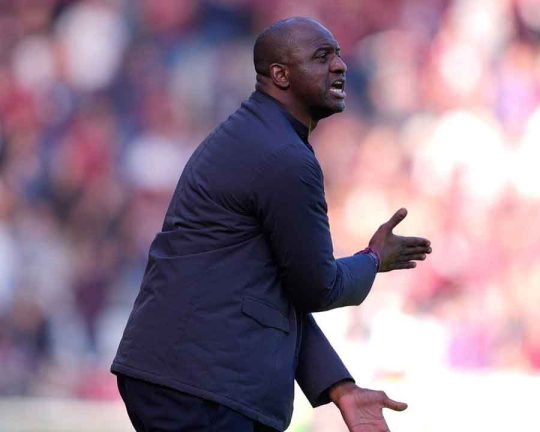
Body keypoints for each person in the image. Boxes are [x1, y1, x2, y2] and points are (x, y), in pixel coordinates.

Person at [111, 16, 432, 432]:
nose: (339, 65)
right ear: (279, 75)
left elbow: (276, 293)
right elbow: (318, 286)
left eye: (337, 54)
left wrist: (340, 388)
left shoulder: (255, 137)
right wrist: (373, 259)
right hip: (201, 386)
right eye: (322, 56)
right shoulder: (283, 157)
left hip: (181, 377)